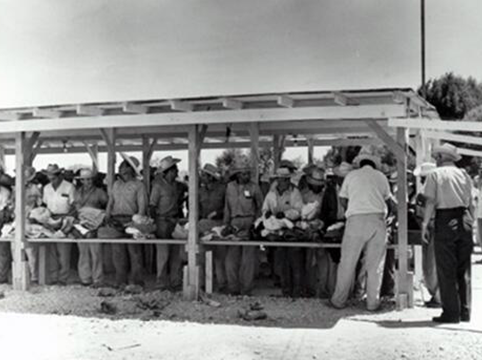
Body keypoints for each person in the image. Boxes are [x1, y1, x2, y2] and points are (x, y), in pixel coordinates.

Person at [330, 152, 394, 311]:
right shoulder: (381, 177)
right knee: (374, 266)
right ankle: (372, 303)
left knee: (347, 263)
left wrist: (351, 208)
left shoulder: (351, 176)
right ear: (374, 166)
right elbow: (389, 202)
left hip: (356, 220)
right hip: (377, 220)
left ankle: (339, 301)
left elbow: (343, 199)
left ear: (360, 165)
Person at [422, 143, 473, 323]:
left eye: (437, 157)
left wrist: (425, 224)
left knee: (446, 269)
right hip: (465, 218)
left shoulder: (435, 175)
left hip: (445, 219)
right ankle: (465, 311)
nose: (435, 160)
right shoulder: (464, 174)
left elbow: (430, 202)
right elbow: (470, 202)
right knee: (463, 269)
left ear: (442, 158)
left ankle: (451, 313)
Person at [104, 157, 147, 288]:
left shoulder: (139, 185)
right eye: (121, 167)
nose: (121, 169)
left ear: (130, 169)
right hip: (116, 219)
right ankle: (120, 281)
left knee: (134, 252)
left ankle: (136, 282)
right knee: (118, 252)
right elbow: (111, 201)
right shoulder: (116, 184)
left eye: (124, 167)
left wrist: (138, 222)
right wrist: (107, 215)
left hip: (131, 219)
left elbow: (142, 205)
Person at [223, 159, 263, 295]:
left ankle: (246, 289)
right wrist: (226, 224)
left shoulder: (254, 187)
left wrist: (256, 224)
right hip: (234, 222)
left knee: (248, 259)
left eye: (248, 173)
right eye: (244, 174)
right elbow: (227, 207)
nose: (247, 176)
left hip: (250, 221)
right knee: (231, 259)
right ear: (238, 175)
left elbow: (260, 206)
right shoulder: (230, 187)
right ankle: (233, 288)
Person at [262, 167, 303, 297]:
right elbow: (264, 209)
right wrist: (267, 214)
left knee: (294, 261)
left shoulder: (295, 193)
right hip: (276, 230)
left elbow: (299, 211)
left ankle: (297, 291)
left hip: (291, 230)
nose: (283, 182)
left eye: (285, 179)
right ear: (278, 179)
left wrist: (285, 214)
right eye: (281, 179)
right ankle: (285, 289)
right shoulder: (271, 193)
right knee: (280, 260)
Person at [150, 156, 184, 291]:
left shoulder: (177, 186)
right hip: (162, 221)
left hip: (174, 220)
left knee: (176, 252)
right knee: (163, 253)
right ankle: (161, 282)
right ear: (169, 171)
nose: (177, 172)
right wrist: (154, 223)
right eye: (175, 170)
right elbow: (152, 205)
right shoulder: (158, 186)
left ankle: (175, 281)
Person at [74, 169, 108, 287]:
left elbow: (106, 204)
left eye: (89, 179)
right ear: (81, 180)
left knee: (96, 252)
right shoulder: (78, 192)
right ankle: (85, 278)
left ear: (92, 180)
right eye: (84, 179)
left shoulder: (99, 192)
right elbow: (77, 207)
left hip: (96, 223)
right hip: (82, 223)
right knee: (83, 252)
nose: (87, 181)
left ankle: (98, 279)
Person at [42, 164, 76, 285]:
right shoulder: (46, 188)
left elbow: (73, 206)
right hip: (50, 218)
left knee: (64, 251)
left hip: (65, 218)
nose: (51, 179)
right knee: (51, 250)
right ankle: (53, 277)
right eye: (49, 176)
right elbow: (46, 205)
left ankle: (63, 278)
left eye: (54, 176)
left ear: (59, 175)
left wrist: (67, 222)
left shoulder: (69, 187)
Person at [413, 162, 440, 307]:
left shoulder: (423, 194)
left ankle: (437, 296)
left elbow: (421, 214)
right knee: (434, 264)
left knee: (431, 265)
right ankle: (438, 295)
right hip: (437, 228)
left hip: (431, 228)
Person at [199, 164, 227, 292]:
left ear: (211, 177)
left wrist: (217, 213)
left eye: (204, 175)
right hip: (204, 224)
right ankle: (203, 284)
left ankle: (222, 284)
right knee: (203, 255)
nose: (202, 177)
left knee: (219, 257)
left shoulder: (223, 190)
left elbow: (227, 208)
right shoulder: (200, 191)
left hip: (219, 224)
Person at [24, 166, 43, 284]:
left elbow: (40, 204)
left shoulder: (35, 188)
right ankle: (21, 275)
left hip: (30, 219)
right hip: (17, 219)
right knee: (15, 248)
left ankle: (34, 276)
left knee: (31, 249)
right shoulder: (15, 188)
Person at [0, 180, 12, 284]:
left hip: (2, 221)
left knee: (3, 251)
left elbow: (4, 210)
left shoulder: (5, 192)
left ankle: (2, 277)